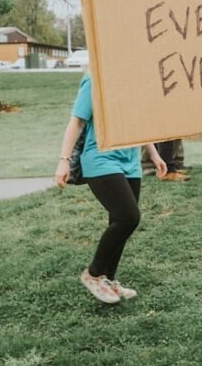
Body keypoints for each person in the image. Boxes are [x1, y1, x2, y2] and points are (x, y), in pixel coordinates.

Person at [55, 72, 168, 304]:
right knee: (128, 217)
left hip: (131, 160)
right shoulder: (95, 78)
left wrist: (154, 154)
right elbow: (76, 121)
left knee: (118, 221)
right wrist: (63, 160)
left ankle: (108, 279)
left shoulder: (135, 80)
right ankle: (94, 274)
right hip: (101, 159)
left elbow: (140, 122)